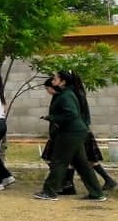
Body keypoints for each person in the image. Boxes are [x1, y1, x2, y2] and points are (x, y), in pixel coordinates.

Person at [34, 71, 106, 201]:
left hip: (71, 132)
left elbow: (71, 114)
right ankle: (97, 193)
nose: (53, 80)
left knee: (59, 161)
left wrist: (52, 118)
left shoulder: (66, 95)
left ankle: (50, 191)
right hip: (76, 132)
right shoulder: (65, 93)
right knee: (82, 164)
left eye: (56, 78)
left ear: (63, 81)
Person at [62, 73, 116, 193]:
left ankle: (69, 185)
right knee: (83, 159)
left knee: (80, 159)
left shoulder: (73, 94)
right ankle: (69, 184)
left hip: (79, 130)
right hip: (83, 128)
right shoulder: (79, 92)